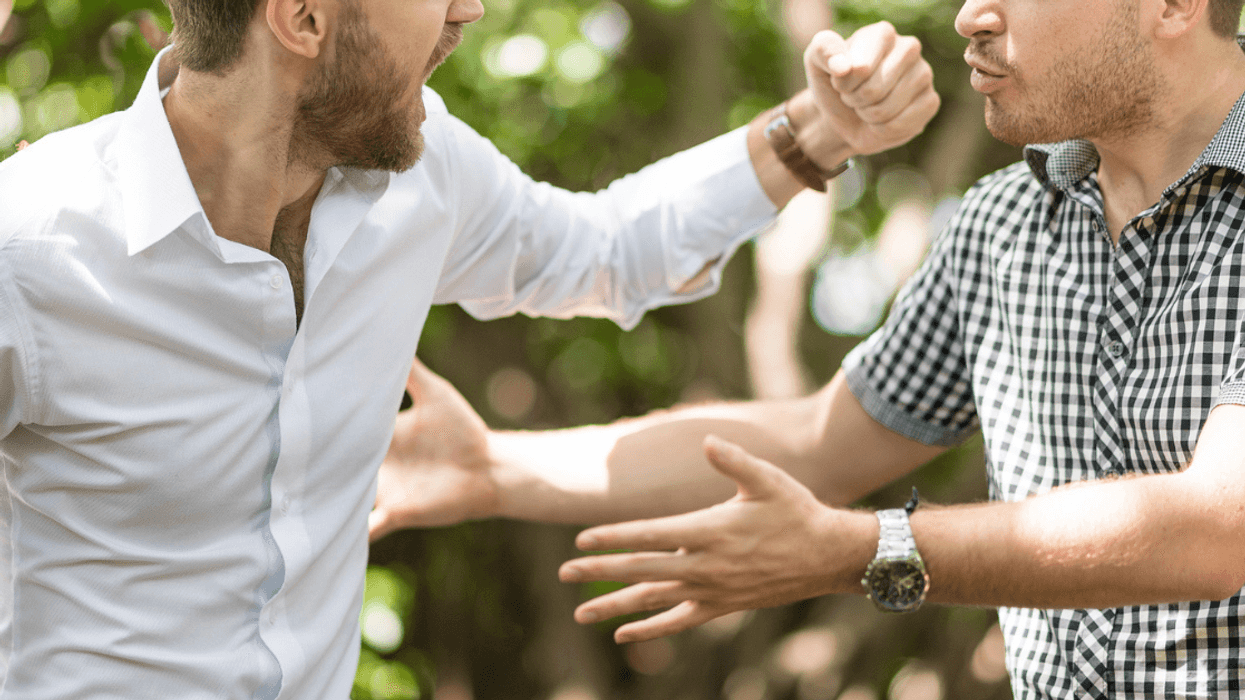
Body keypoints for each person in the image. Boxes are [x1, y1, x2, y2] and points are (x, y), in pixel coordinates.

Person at [0, 0, 939, 696]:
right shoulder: (31, 250)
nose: (468, 10)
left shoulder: (419, 173)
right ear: (303, 19)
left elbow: (607, 251)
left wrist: (819, 130)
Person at [369, 0, 1245, 696]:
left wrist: (860, 549)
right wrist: (492, 469)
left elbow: (1219, 527)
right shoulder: (1000, 226)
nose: (970, 16)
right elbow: (816, 446)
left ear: (1171, 5)